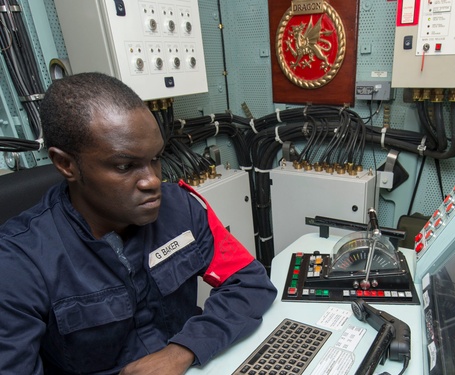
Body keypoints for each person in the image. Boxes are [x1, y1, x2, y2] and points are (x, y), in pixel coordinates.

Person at [0, 72, 277, 374]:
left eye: (156, 158)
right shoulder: (18, 264)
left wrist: (181, 350)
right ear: (66, 164)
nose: (153, 181)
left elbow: (250, 282)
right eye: (125, 166)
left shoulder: (181, 207)